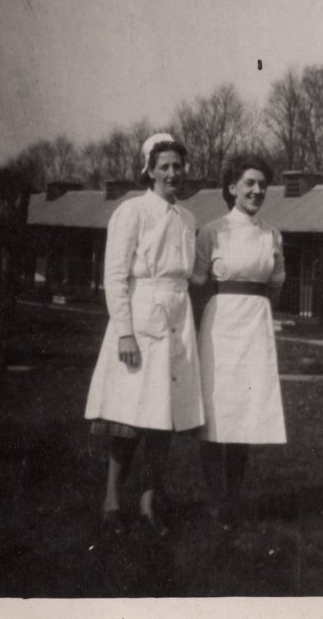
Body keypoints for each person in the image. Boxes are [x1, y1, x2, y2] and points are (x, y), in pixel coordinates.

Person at [85, 133, 204, 538]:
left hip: (177, 321)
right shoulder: (132, 211)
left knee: (162, 423)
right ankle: (112, 502)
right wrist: (125, 334)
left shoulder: (188, 219)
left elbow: (190, 274)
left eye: (178, 165)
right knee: (129, 422)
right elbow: (115, 277)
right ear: (149, 171)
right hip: (141, 321)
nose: (173, 173)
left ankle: (148, 504)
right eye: (165, 166)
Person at [191, 154, 287, 528]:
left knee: (245, 416)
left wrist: (260, 318)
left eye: (262, 184)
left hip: (256, 329)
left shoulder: (272, 235)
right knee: (218, 413)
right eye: (249, 183)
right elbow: (198, 283)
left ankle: (234, 498)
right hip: (221, 327)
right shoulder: (212, 232)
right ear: (231, 187)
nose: (257, 190)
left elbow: (276, 283)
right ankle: (215, 500)